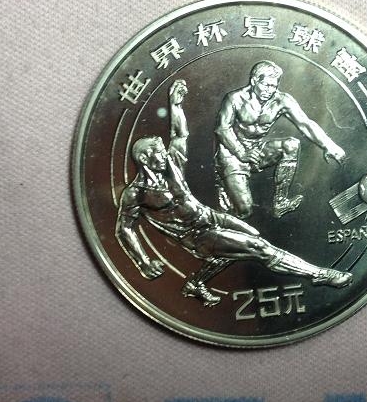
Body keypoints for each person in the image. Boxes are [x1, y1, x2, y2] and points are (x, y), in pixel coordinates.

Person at [115, 86, 352, 306]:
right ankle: (319, 274)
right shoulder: (135, 194)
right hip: (195, 236)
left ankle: (195, 283)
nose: (164, 154)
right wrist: (143, 262)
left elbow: (179, 134)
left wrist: (175, 105)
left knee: (249, 236)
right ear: (144, 159)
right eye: (158, 152)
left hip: (210, 217)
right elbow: (124, 229)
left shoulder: (172, 165)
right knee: (258, 247)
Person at [215, 61, 346, 218]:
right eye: (266, 85)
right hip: (232, 154)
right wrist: (241, 153)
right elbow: (222, 129)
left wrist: (329, 145)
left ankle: (280, 202)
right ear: (254, 81)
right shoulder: (235, 98)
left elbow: (305, 123)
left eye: (273, 86)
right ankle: (223, 183)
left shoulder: (281, 100)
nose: (269, 90)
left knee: (291, 145)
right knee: (245, 210)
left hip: (256, 149)